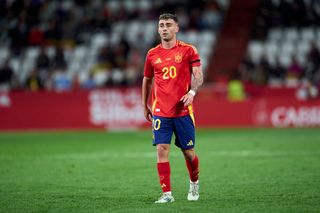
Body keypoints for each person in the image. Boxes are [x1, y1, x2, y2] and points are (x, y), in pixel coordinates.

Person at [141, 13, 203, 203]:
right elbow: (147, 80)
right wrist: (145, 105)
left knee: (188, 153)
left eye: (168, 24)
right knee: (161, 149)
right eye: (161, 25)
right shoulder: (152, 54)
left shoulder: (188, 50)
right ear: (158, 29)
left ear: (176, 28)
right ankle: (167, 194)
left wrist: (192, 93)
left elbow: (198, 75)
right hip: (161, 111)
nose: (164, 28)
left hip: (183, 111)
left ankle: (194, 182)